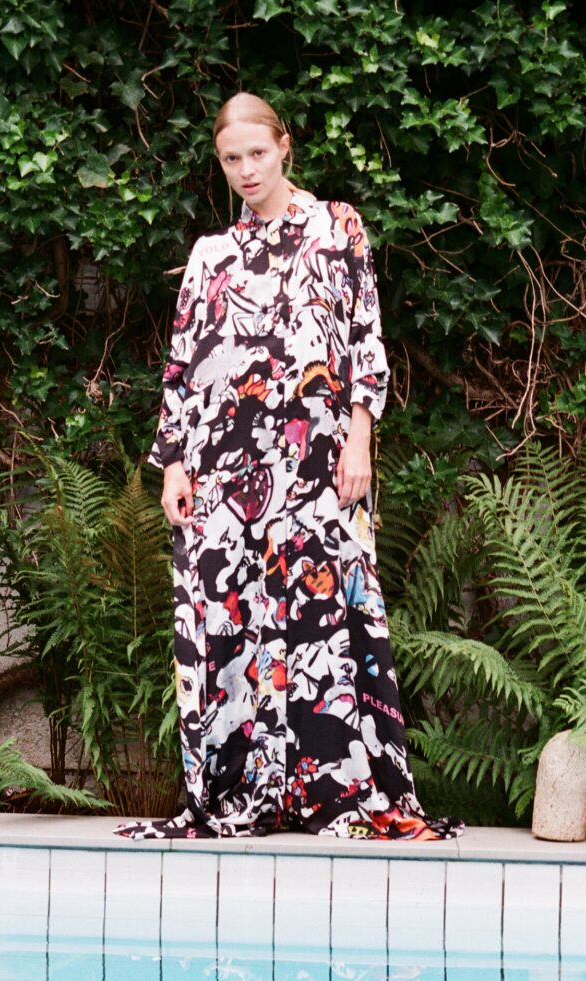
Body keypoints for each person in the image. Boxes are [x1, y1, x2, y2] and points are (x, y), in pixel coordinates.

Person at [117, 92, 461, 840]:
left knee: (321, 617)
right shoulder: (210, 255)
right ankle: (246, 788)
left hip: (317, 467)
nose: (246, 170)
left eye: (257, 154)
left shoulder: (337, 227)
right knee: (230, 623)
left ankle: (334, 787)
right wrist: (174, 466)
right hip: (223, 474)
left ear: (284, 147)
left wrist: (359, 438)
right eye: (230, 159)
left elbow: (364, 337)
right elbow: (183, 369)